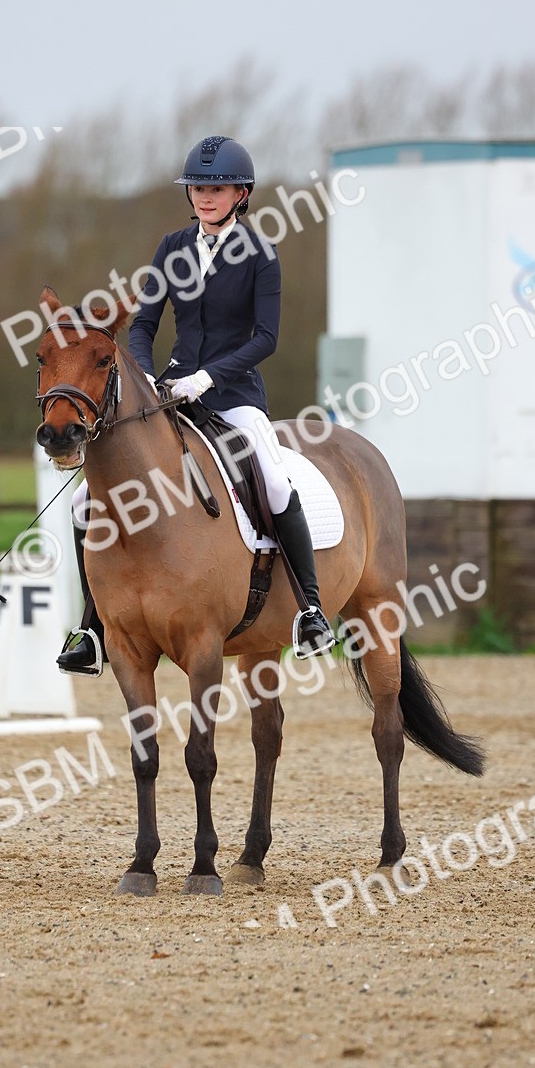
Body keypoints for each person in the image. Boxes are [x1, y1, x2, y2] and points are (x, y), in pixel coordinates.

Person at [57, 135, 336, 675]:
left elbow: (266, 338)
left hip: (234, 396)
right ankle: (92, 627)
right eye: (198, 188)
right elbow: (143, 325)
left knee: (275, 481)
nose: (206, 197)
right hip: (172, 393)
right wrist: (147, 379)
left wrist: (209, 377)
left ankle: (310, 609)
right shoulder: (172, 247)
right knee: (81, 505)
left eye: (217, 188)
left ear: (241, 193)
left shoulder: (260, 255)